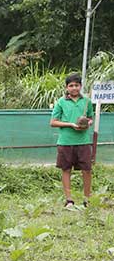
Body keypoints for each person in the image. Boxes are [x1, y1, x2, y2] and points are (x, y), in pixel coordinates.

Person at [49, 73, 94, 208]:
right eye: (71, 85)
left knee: (86, 170)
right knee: (66, 169)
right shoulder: (61, 102)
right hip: (65, 142)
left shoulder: (87, 101)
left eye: (76, 85)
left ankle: (87, 199)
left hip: (83, 141)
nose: (74, 88)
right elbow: (53, 122)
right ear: (66, 87)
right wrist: (70, 124)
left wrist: (88, 123)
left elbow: (90, 117)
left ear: (80, 86)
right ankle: (69, 200)